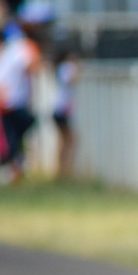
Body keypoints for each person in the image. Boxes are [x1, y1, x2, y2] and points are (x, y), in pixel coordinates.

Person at [0, 3, 48, 184]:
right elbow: (35, 66)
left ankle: (13, 167)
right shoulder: (25, 46)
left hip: (4, 96)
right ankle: (12, 166)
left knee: (12, 134)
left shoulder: (13, 46)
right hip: (9, 98)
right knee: (22, 127)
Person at [51, 48, 81, 179]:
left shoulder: (61, 67)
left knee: (65, 141)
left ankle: (62, 171)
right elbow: (70, 80)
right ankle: (63, 171)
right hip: (61, 110)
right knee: (69, 141)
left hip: (61, 110)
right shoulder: (65, 67)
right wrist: (78, 69)